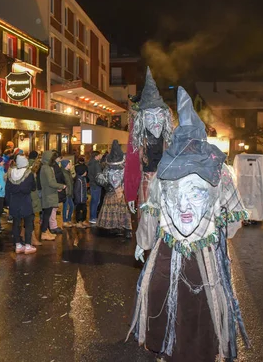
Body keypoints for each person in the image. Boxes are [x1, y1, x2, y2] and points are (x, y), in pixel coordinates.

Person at [129, 87, 250, 361]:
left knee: (162, 291)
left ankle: (165, 346)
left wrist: (143, 242)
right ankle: (200, 350)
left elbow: (151, 212)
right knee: (203, 297)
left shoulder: (165, 170)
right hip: (203, 251)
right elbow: (233, 222)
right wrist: (217, 228)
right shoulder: (220, 169)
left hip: (168, 247)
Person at [125, 67, 173, 217]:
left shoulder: (171, 139)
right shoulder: (138, 139)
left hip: (168, 188)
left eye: (159, 116)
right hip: (147, 187)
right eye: (150, 116)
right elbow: (131, 166)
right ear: (142, 119)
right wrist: (131, 194)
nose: (156, 122)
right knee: (148, 226)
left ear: (165, 117)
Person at [95, 140, 132, 238]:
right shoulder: (123, 167)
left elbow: (103, 179)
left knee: (116, 210)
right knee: (122, 211)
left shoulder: (110, 168)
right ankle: (122, 228)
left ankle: (119, 228)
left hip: (115, 192)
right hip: (118, 192)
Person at [7, 155, 37, 254]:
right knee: (28, 223)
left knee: (16, 223)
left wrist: (8, 203)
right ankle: (28, 245)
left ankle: (18, 245)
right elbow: (33, 187)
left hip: (14, 201)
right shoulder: (29, 174)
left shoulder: (10, 173)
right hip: (25, 201)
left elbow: (8, 189)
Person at [39, 150, 65, 237]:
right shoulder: (46, 168)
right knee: (47, 213)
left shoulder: (45, 167)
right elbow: (50, 182)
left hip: (49, 192)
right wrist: (61, 186)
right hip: (48, 194)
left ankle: (45, 231)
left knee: (47, 213)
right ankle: (44, 232)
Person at [87, 151, 103, 224]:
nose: (101, 156)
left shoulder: (90, 163)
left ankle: (92, 217)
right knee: (96, 201)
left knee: (93, 201)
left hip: (92, 184)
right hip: (96, 185)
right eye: (100, 155)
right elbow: (98, 175)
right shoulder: (96, 164)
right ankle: (93, 218)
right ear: (96, 156)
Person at [74, 159, 89, 228]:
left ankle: (83, 220)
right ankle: (78, 222)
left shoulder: (83, 179)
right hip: (79, 200)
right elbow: (76, 191)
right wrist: (78, 200)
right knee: (78, 211)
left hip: (83, 199)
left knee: (84, 210)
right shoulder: (78, 180)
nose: (86, 172)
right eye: (85, 171)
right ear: (82, 171)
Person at [61, 160, 75, 228]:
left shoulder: (68, 172)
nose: (70, 165)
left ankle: (68, 219)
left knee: (72, 206)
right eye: (69, 164)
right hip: (66, 192)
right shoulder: (63, 173)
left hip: (69, 192)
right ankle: (64, 221)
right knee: (65, 207)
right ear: (65, 165)